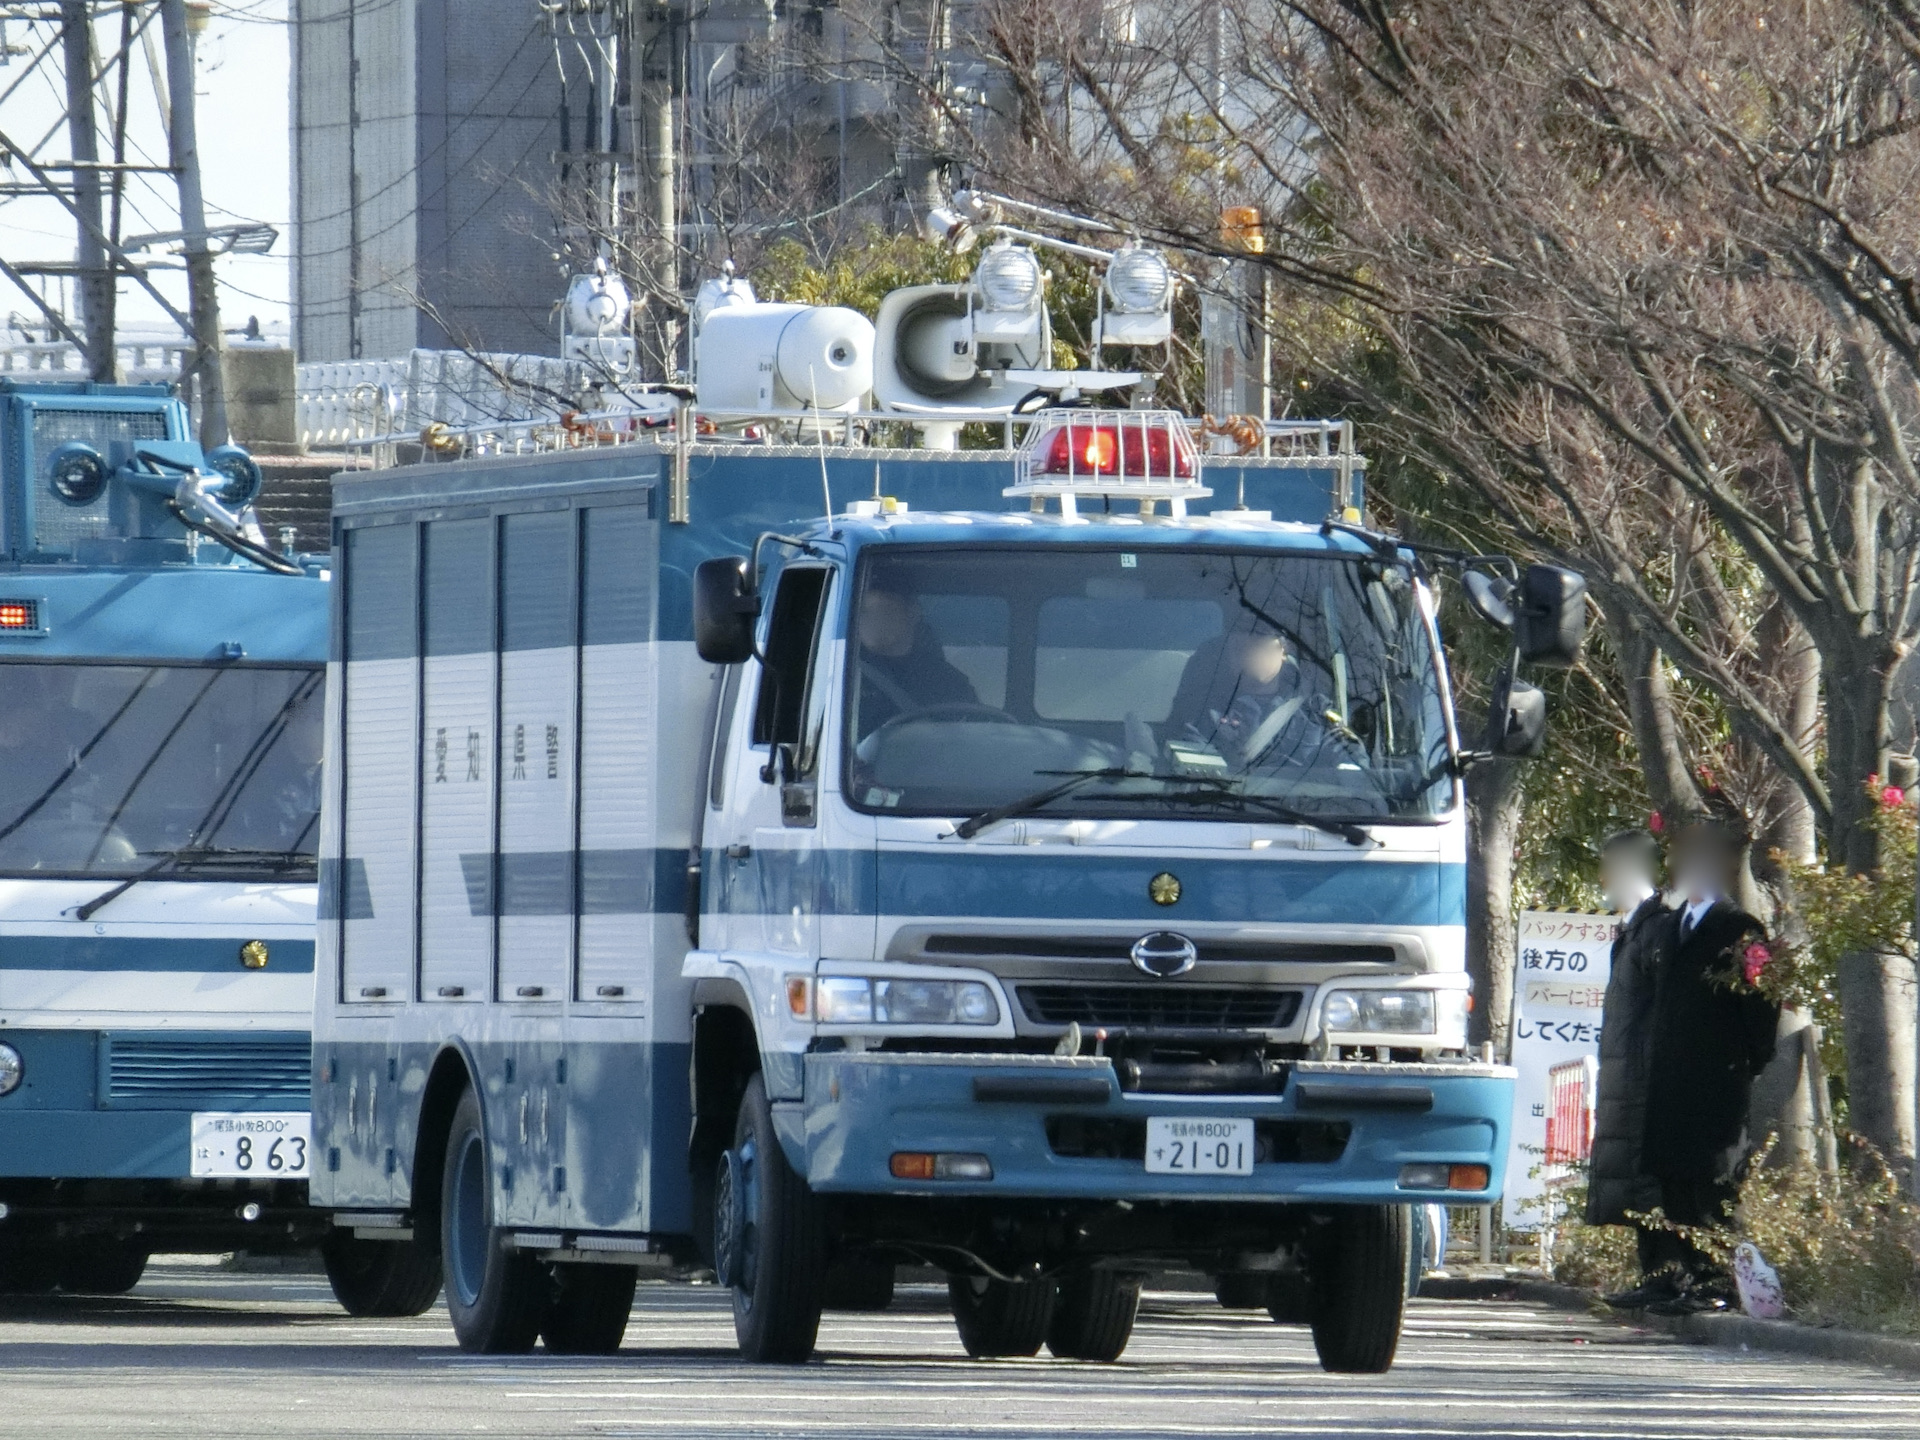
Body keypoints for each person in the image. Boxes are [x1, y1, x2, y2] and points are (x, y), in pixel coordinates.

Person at [1609, 816, 1780, 1315]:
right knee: (1669, 1180)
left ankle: (1714, 1280)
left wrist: (1744, 1064)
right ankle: (1670, 1276)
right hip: (1667, 1079)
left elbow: (1762, 1007)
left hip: (1715, 1081)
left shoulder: (1740, 928)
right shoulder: (1671, 927)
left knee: (1710, 1182)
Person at [1585, 830, 1673, 1258]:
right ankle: (1654, 1275)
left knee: (1651, 1180)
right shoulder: (1634, 930)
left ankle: (1668, 1274)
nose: (1604, 878)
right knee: (1637, 1183)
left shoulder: (1657, 928)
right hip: (1629, 1078)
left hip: (1647, 1079)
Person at [1170, 625, 1338, 767]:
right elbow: (1193, 763)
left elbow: (1346, 761)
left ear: (1283, 649)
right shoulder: (1203, 713)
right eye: (1239, 649)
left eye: (1259, 643)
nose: (1248, 655)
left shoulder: (1316, 711)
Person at [851, 581, 978, 741]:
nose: (873, 619)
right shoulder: (841, 673)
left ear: (913, 612)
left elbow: (974, 740)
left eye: (884, 609)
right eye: (864, 612)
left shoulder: (950, 682)